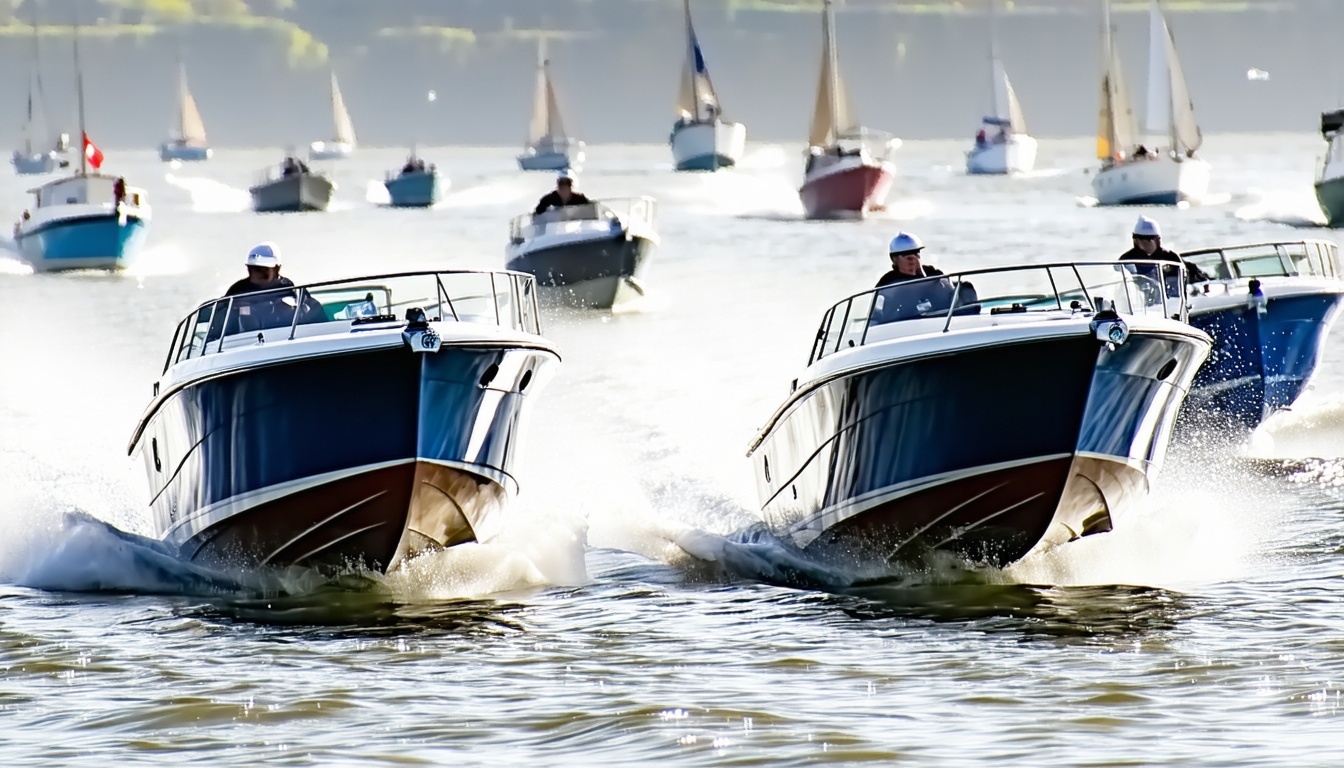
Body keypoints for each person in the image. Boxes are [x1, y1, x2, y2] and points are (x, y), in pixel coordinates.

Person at [219, 242, 324, 334]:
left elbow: (312, 312)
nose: (256, 273)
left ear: (277, 269)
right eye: (252, 268)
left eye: (263, 269)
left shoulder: (290, 288)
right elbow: (220, 319)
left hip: (287, 337)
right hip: (246, 341)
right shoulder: (237, 291)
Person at [872, 232, 957, 322]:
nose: (913, 261)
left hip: (939, 322)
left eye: (917, 255)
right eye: (907, 257)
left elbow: (947, 297)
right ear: (895, 260)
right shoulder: (887, 282)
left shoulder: (933, 274)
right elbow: (885, 314)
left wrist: (923, 277)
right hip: (903, 325)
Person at [1118, 216, 1210, 294]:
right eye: (1141, 239)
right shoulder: (1126, 259)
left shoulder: (1171, 257)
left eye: (1149, 239)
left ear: (1157, 239)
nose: (1145, 243)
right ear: (1135, 240)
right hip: (1138, 305)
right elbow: (1118, 283)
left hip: (1171, 303)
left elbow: (1187, 279)